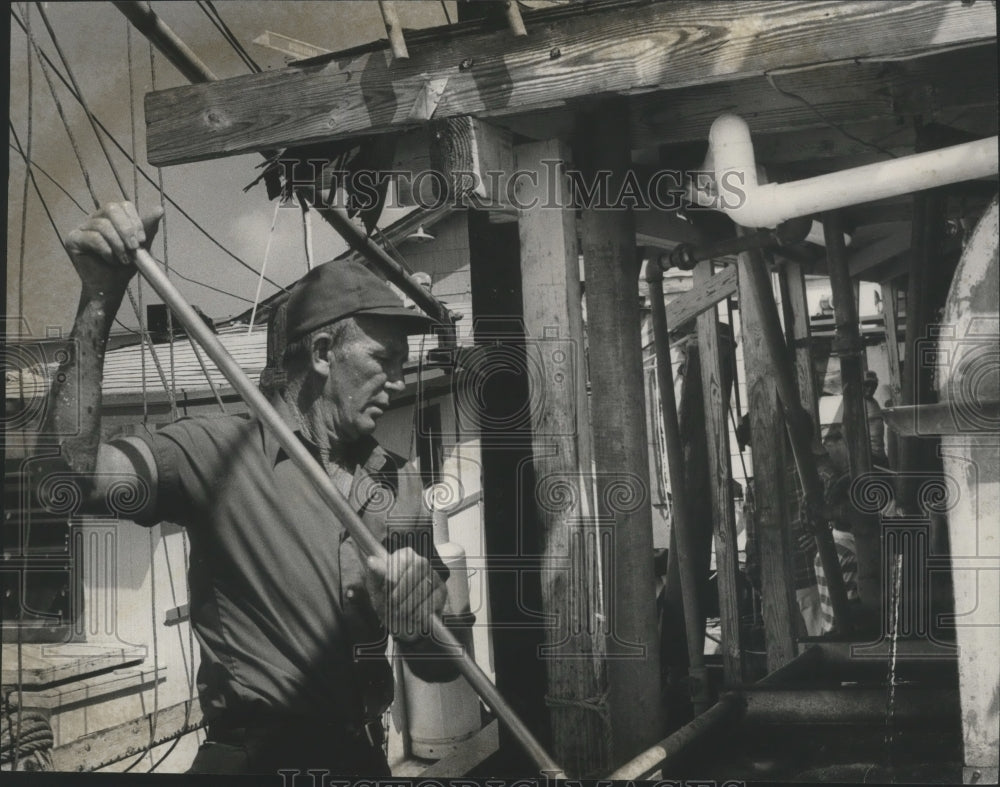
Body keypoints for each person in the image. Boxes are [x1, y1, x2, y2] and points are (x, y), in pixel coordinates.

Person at [38, 201, 460, 776]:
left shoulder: (399, 478)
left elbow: (439, 668)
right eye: (383, 359)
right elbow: (64, 481)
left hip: (362, 760)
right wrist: (100, 298)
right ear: (321, 353)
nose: (399, 377)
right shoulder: (216, 453)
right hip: (254, 763)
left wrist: (415, 624)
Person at [811, 427, 861, 634]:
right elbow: (855, 608)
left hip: (831, 630)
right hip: (848, 637)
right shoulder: (849, 554)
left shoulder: (828, 547)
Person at [862, 370, 890, 468]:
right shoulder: (858, 404)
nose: (870, 389)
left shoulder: (874, 402)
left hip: (880, 455)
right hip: (870, 457)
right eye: (867, 385)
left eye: (873, 386)